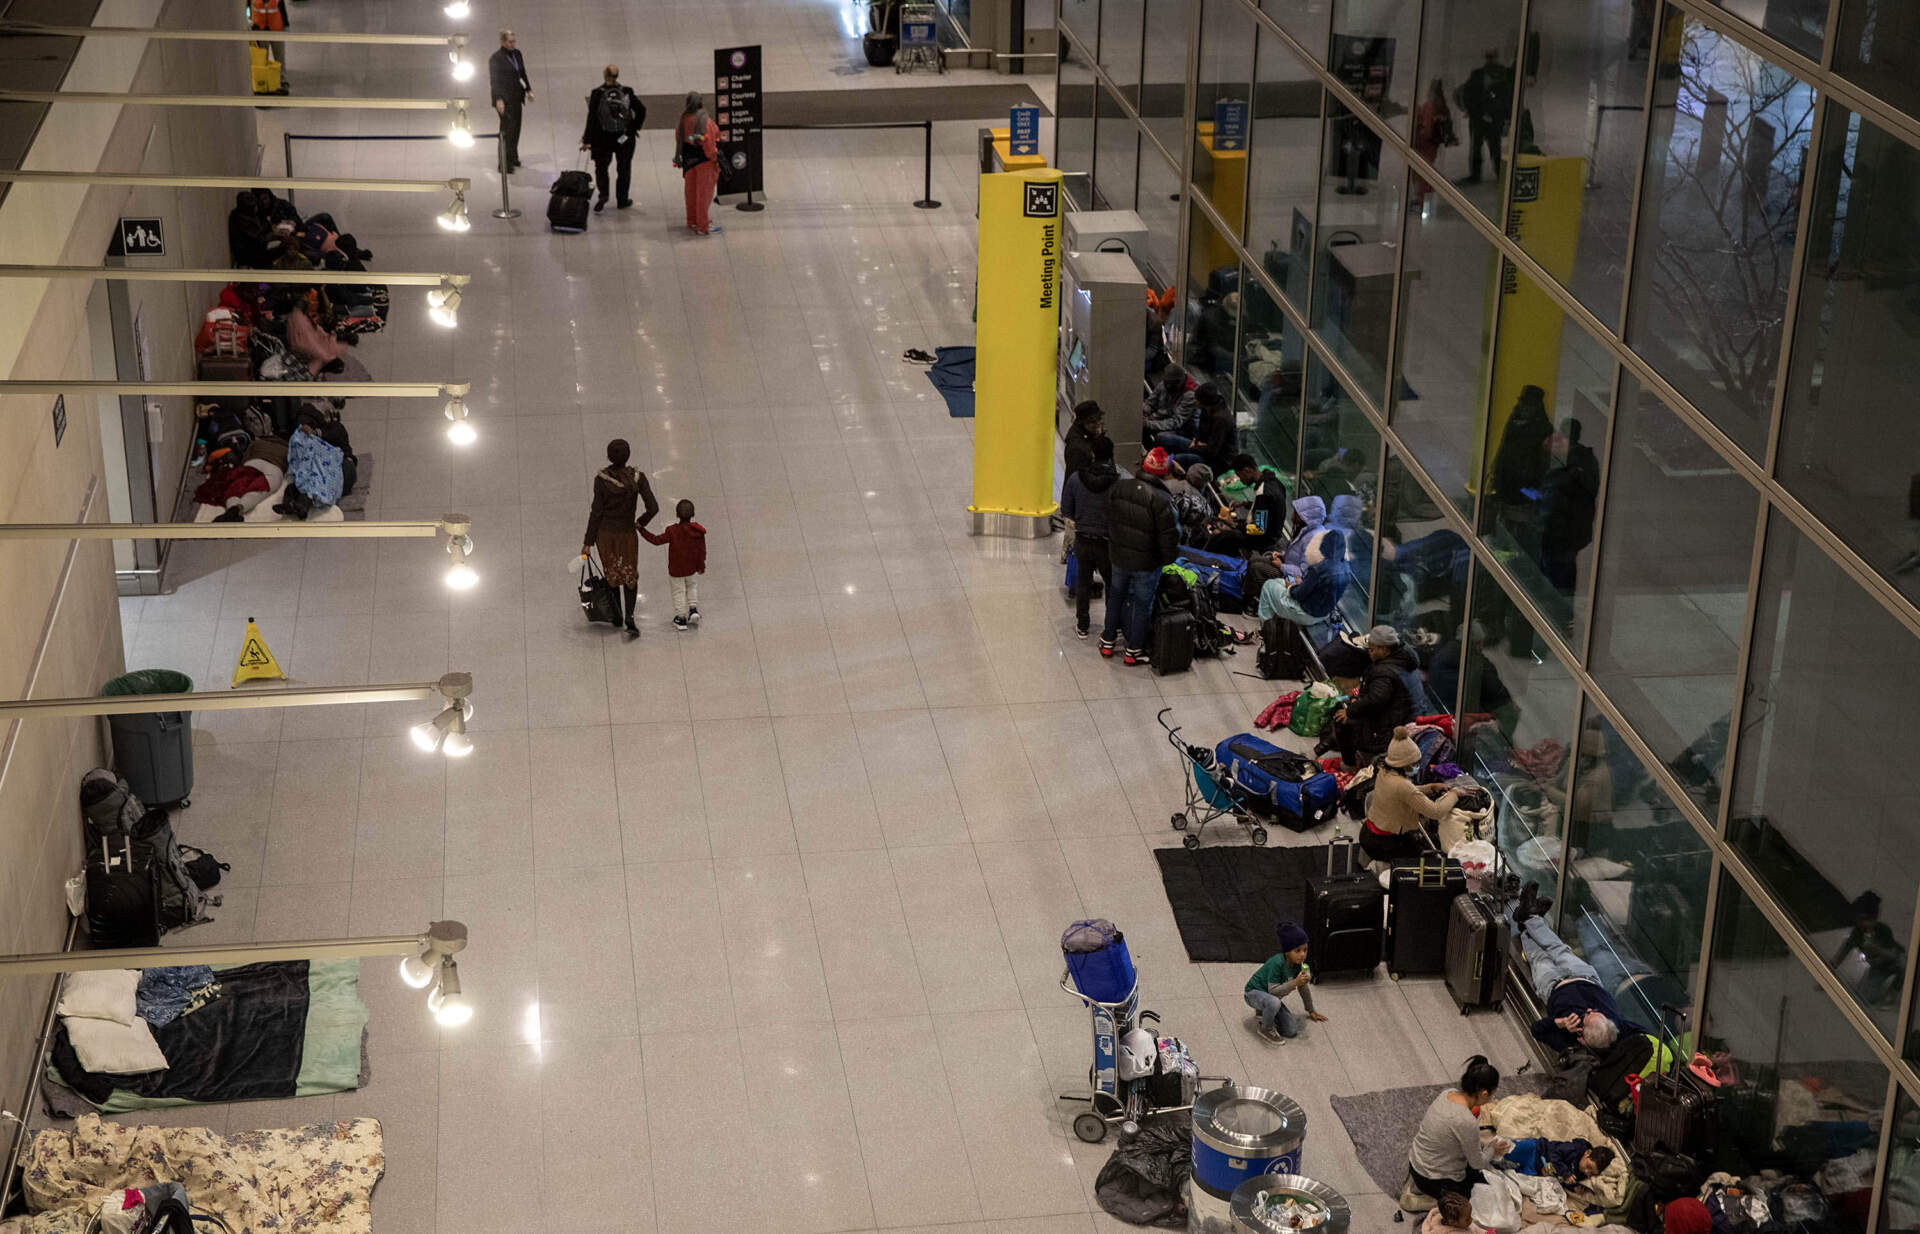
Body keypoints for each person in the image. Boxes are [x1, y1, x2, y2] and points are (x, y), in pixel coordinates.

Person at [1512, 882, 1642, 1052]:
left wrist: (1559, 1023)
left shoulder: (1568, 1039)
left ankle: (1529, 921)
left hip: (1553, 986)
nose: (1588, 1010)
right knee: (1558, 947)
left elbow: (1537, 1029)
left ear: (1582, 1038)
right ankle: (1531, 918)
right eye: (1595, 1011)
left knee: (1538, 957)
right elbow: (1643, 1034)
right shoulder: (1614, 1024)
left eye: (1587, 1016)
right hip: (1584, 976)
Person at [1105, 446, 1180, 666]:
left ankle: (1108, 641)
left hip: (1118, 556)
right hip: (1146, 564)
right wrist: (1168, 559)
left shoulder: (1121, 487)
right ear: (1162, 472)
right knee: (1142, 605)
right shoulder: (1163, 500)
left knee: (1116, 597)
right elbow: (1169, 537)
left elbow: (1108, 518)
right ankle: (1133, 650)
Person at [583, 439, 660, 638]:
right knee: (629, 573)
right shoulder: (638, 478)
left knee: (612, 573)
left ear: (608, 456)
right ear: (629, 455)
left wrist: (588, 542)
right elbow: (653, 507)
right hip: (627, 534)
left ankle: (616, 615)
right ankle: (630, 617)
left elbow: (596, 512)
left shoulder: (601, 481)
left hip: (606, 535)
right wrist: (640, 522)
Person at [1408, 1055, 1510, 1202]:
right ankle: (1429, 1200)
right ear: (1484, 1093)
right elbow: (1477, 1163)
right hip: (1431, 1179)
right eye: (1492, 1095)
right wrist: (1492, 1149)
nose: (1492, 1099)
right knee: (1484, 1194)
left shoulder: (1447, 1093)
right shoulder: (1466, 1121)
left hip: (1416, 1161)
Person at [1359, 727, 1463, 866]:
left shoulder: (1384, 772)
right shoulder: (1403, 785)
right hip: (1383, 843)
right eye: (1414, 764)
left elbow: (1400, 794)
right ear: (1403, 765)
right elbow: (1436, 811)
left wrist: (1430, 787)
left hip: (1368, 833)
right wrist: (1455, 794)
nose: (1417, 767)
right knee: (1429, 863)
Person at [1327, 625, 1420, 771]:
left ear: (1383, 649)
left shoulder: (1384, 672)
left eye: (1372, 649)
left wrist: (1350, 711)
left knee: (1341, 720)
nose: (1369, 653)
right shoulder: (1405, 660)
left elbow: (1375, 700)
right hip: (1405, 718)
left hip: (1389, 731)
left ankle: (1349, 765)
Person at [1061, 436, 1119, 640]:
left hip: (1083, 540)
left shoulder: (1076, 479)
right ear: (1111, 455)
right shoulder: (1118, 483)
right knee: (1112, 584)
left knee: (1084, 583)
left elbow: (1066, 509)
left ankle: (1083, 625)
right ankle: (1113, 626)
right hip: (1107, 543)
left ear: (1092, 454)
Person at [1536, 416, 1599, 594]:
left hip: (1559, 537)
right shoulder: (1585, 462)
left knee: (1554, 578)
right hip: (1572, 535)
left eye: (1559, 438)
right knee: (1563, 574)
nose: (1554, 441)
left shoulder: (1566, 473)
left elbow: (1550, 506)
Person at [1243, 922, 1327, 1043]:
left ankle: (1264, 1012)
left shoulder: (1299, 965)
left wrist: (1311, 1010)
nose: (1303, 954)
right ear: (1287, 951)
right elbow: (1273, 990)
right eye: (1297, 950)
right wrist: (1295, 982)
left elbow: (1303, 988)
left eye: (1305, 949)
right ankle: (1265, 1029)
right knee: (1274, 1002)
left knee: (1291, 1030)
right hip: (1253, 993)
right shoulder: (1277, 963)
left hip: (1271, 998)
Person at [578, 65, 644, 211]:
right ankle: (622, 200)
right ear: (617, 76)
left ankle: (603, 195)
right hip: (624, 138)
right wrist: (632, 129)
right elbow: (641, 110)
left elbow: (592, 119)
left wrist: (587, 140)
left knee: (601, 168)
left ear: (604, 75)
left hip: (603, 139)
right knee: (624, 168)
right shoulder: (627, 92)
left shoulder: (597, 94)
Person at [640, 499, 707, 631]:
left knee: (678, 592)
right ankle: (693, 609)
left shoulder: (672, 531)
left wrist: (642, 530)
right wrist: (701, 566)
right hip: (692, 567)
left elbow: (656, 540)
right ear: (692, 514)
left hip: (676, 569)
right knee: (692, 586)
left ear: (677, 514)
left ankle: (681, 618)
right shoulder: (698, 531)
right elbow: (701, 550)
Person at [1831, 891, 1906, 1006]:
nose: (1863, 924)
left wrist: (1877, 949)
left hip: (1894, 961)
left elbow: (1893, 955)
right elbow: (1841, 954)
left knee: (1905, 964)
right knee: (1863, 999)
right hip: (1878, 968)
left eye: (1867, 920)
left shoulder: (1883, 930)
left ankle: (1894, 990)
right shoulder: (1857, 933)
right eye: (1859, 920)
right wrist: (1827, 974)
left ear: (1874, 919)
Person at [1453, 50, 1514, 184]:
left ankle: (1488, 175)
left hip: (1489, 118)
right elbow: (1469, 94)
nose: (1490, 59)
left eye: (1491, 57)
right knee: (1484, 147)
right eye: (1489, 57)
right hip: (1483, 118)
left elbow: (1507, 98)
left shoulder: (1498, 75)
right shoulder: (1485, 74)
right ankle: (1486, 175)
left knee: (1492, 147)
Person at [1160, 383, 1235, 474]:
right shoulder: (1206, 409)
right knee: (1166, 440)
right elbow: (1200, 431)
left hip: (1217, 460)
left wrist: (1194, 448)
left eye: (1198, 401)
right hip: (1201, 448)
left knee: (1177, 459)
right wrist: (1196, 441)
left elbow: (1212, 451)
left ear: (1205, 402)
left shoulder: (1221, 420)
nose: (1195, 402)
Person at [676, 93, 722, 236]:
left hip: (689, 162)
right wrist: (715, 158)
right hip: (705, 163)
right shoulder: (705, 121)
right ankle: (703, 226)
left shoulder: (683, 119)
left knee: (691, 193)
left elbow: (680, 137)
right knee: (704, 194)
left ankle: (692, 221)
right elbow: (708, 144)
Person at [489, 30, 534, 173]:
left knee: (516, 129)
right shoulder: (496, 59)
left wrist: (528, 90)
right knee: (506, 131)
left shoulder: (517, 54)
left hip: (516, 97)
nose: (513, 44)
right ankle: (503, 163)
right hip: (504, 99)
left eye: (514, 41)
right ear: (502, 42)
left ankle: (513, 157)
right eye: (510, 42)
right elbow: (494, 82)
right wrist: (498, 100)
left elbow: (522, 73)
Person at [1412, 77, 1458, 206]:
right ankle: (1421, 198)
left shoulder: (1429, 106)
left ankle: (1418, 200)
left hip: (1425, 143)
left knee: (1419, 172)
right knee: (1424, 169)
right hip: (1433, 144)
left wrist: (1419, 138)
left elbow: (1426, 127)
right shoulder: (1442, 106)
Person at [1495, 1138, 1613, 1186]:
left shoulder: (1582, 1174)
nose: (1586, 1171)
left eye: (1591, 1173)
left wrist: (1574, 1187)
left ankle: (1498, 1168)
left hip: (1537, 1169)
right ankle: (1487, 1150)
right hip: (1536, 1150)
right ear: (1587, 1153)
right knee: (1509, 1150)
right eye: (1588, 1166)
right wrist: (1565, 1173)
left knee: (1514, 1179)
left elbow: (1566, 1181)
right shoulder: (1574, 1149)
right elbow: (1555, 1154)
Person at [1142, 364, 1198, 447]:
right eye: (1166, 384)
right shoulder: (1165, 383)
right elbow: (1151, 402)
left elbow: (1176, 422)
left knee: (1162, 437)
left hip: (1180, 428)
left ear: (1180, 382)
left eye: (1171, 385)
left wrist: (1150, 424)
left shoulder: (1190, 395)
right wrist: (1144, 411)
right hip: (1159, 419)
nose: (1168, 387)